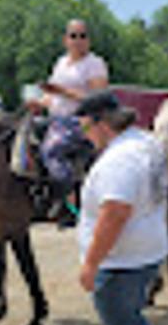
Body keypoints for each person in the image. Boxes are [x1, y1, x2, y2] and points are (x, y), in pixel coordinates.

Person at [74, 90, 168, 325]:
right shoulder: (146, 142)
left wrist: (90, 263)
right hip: (148, 251)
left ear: (102, 125)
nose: (85, 137)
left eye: (86, 129)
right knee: (130, 315)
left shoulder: (118, 161)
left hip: (122, 260)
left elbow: (116, 212)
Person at [27, 19, 109, 222]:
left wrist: (61, 91)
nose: (78, 40)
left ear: (89, 40)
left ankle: (69, 201)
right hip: (56, 119)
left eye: (83, 36)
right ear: (65, 40)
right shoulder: (61, 63)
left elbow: (97, 98)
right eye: (73, 35)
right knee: (24, 137)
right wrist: (39, 103)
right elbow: (52, 97)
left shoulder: (94, 64)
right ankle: (38, 194)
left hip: (83, 121)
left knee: (52, 150)